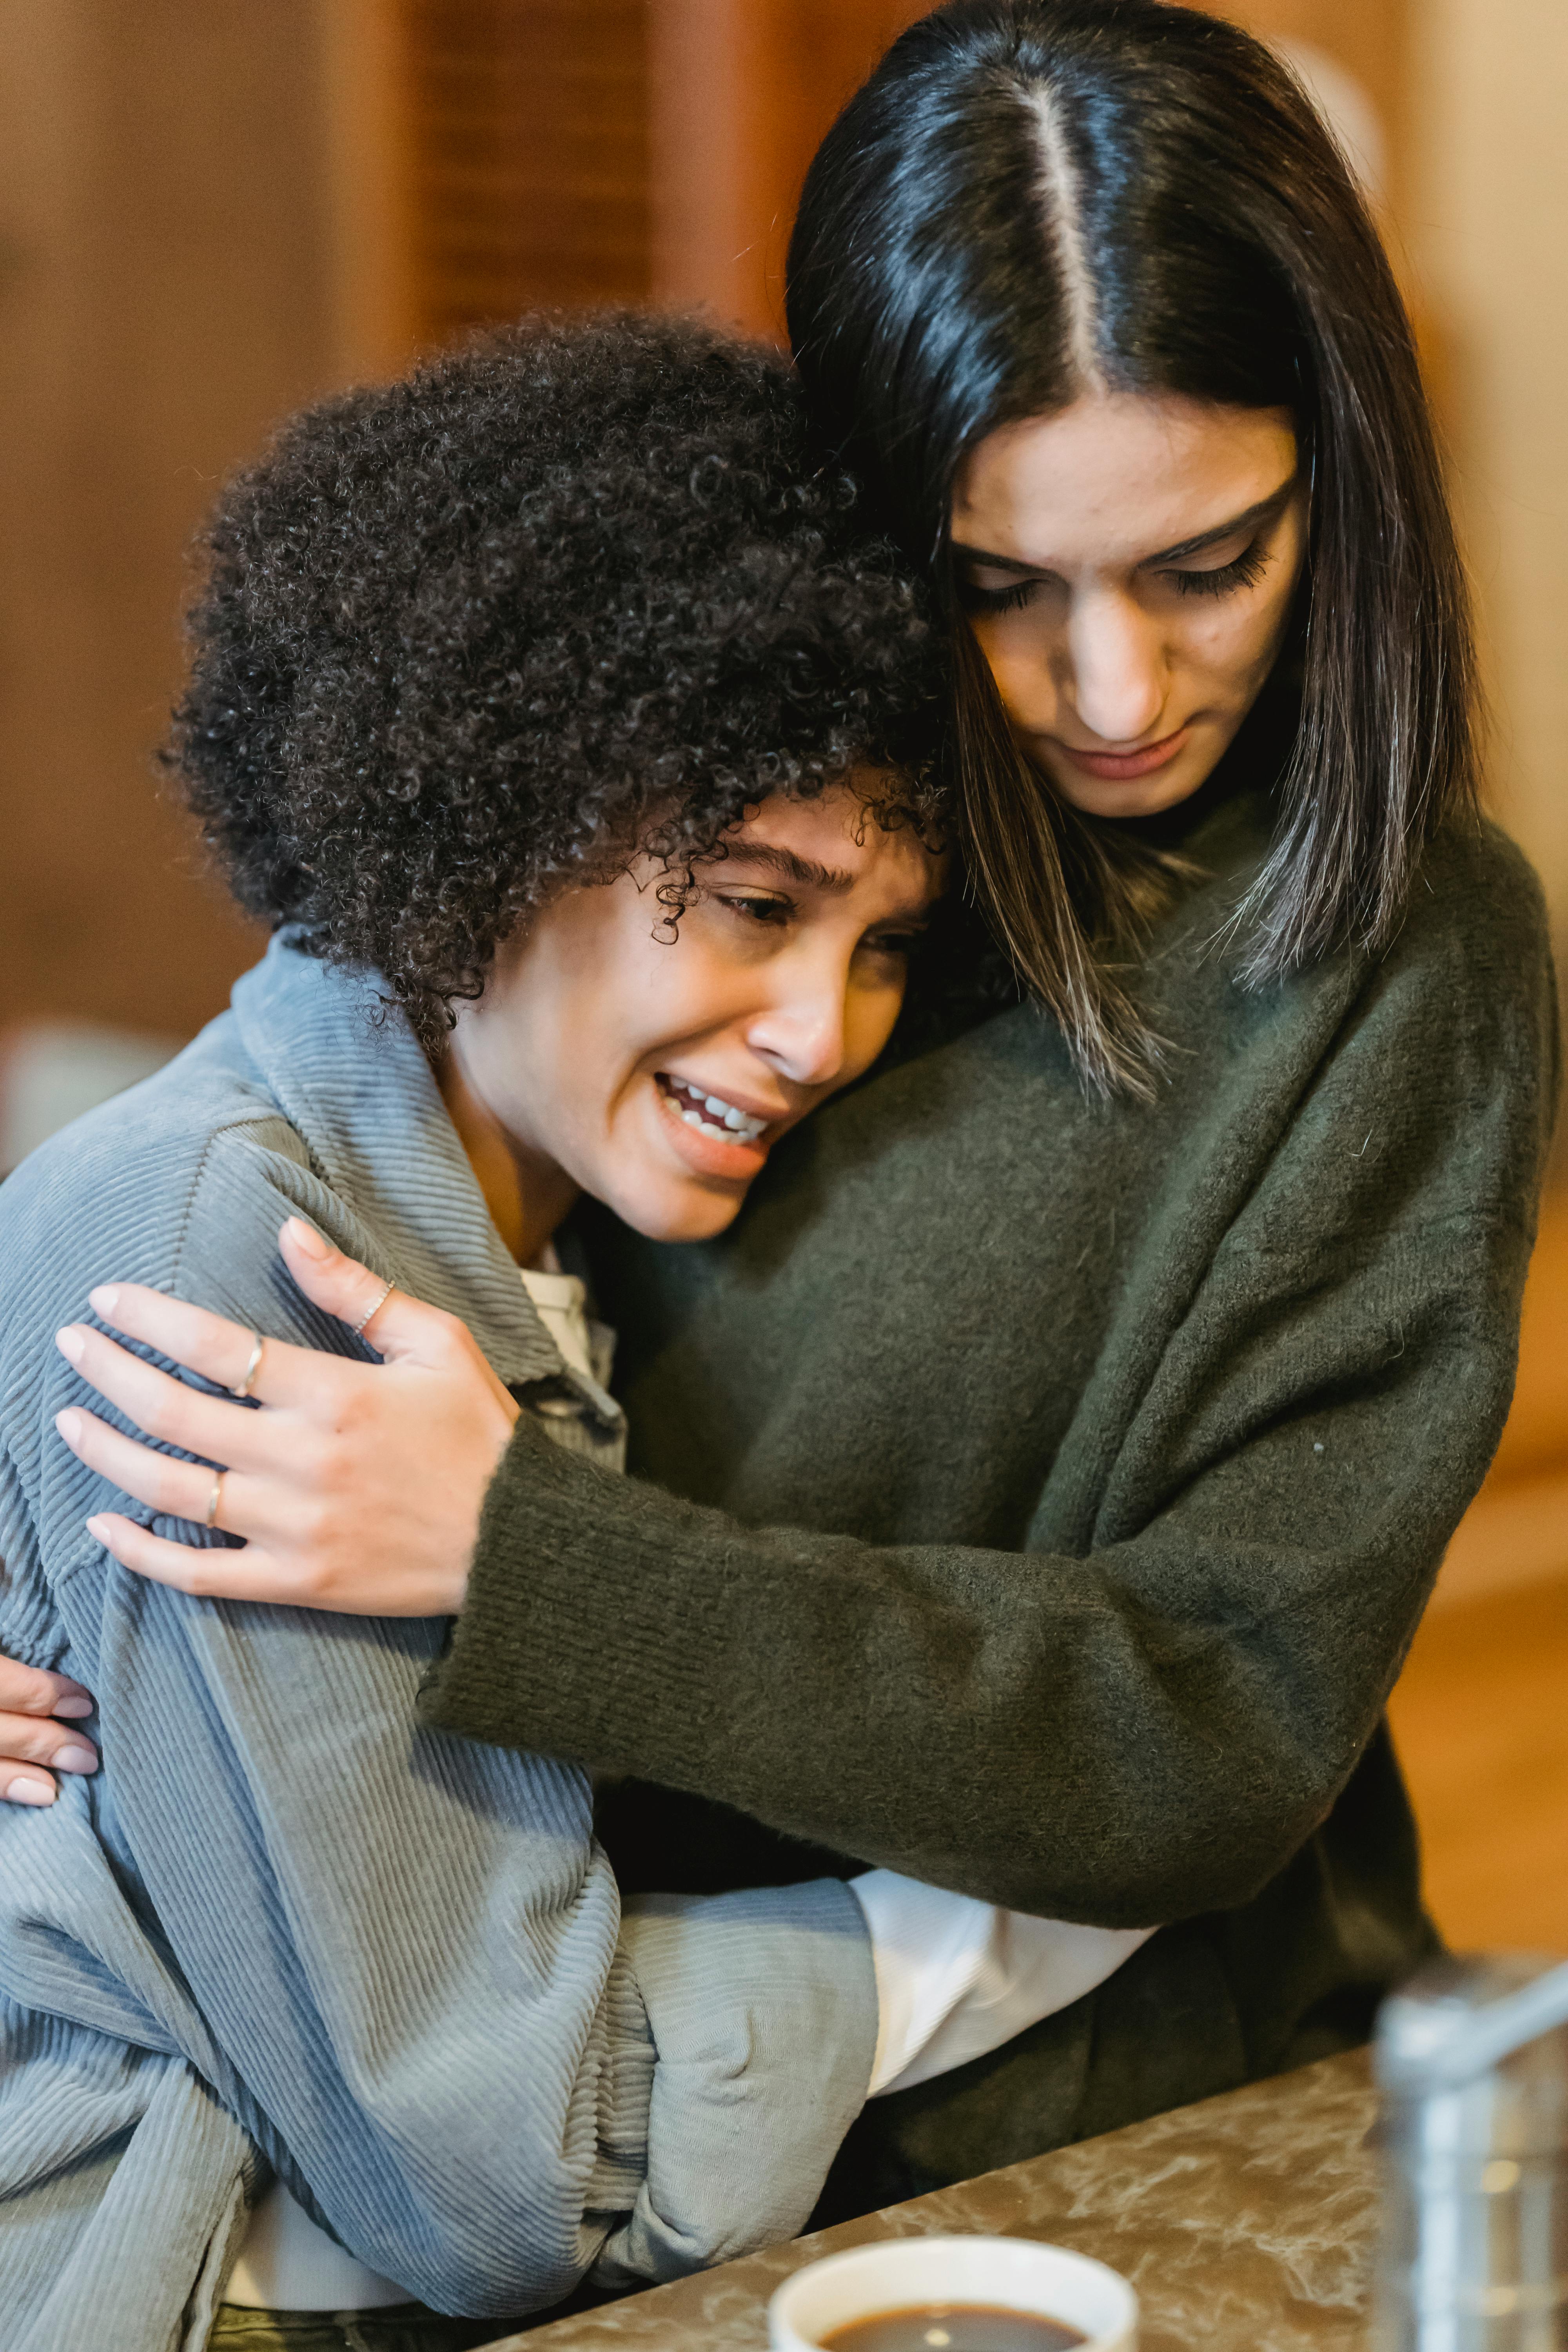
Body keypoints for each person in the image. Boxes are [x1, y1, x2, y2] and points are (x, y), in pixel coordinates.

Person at [5, 0, 1559, 2235]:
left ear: (1347, 477)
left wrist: (530, 1561)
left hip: (1078, 2142)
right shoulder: (716, 815)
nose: (1112, 696)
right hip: (580, 2132)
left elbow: (1220, 1720)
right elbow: (247, 1186)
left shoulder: (1406, 961)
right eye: (1000, 584)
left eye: (1206, 565)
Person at [0, 316, 1150, 2352]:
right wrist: (982, 1931)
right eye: (749, 900)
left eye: (884, 943)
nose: (824, 1033)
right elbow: (496, 2166)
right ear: (507, 803)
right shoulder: (229, 1257)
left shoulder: (544, 1240)